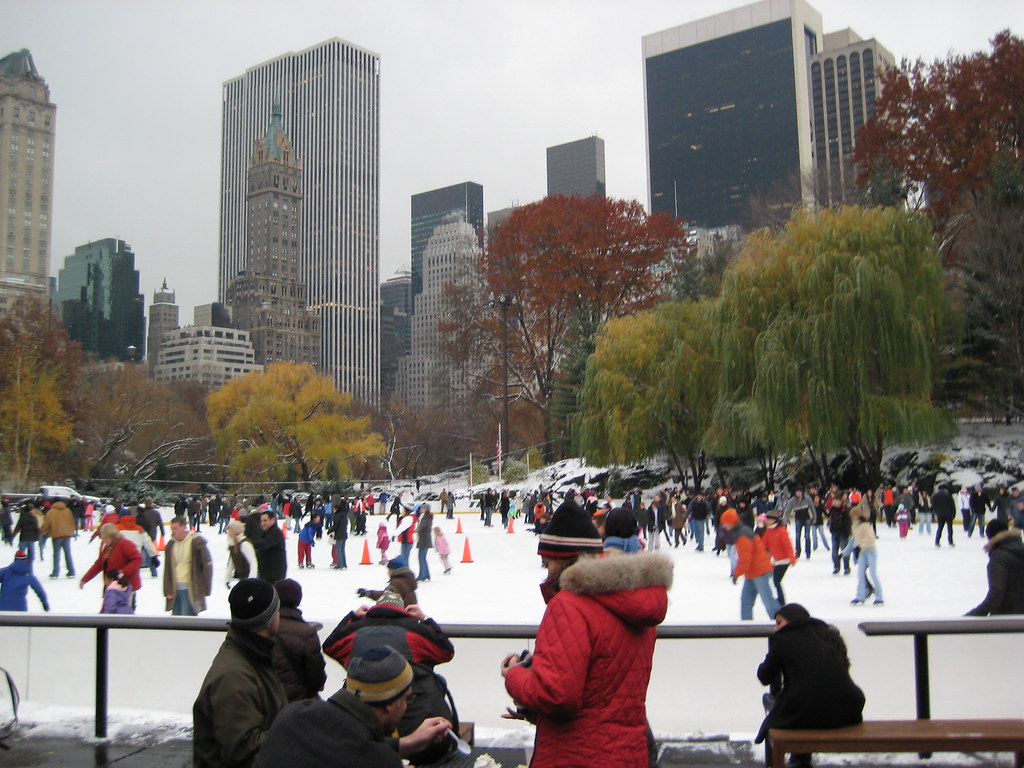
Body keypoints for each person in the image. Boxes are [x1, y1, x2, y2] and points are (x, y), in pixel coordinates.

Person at [500, 499, 672, 767]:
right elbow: (603, 688)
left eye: (548, 564)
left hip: (577, 754)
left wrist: (515, 675)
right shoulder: (635, 601)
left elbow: (558, 695)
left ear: (565, 559)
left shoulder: (569, 606)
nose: (547, 574)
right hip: (627, 751)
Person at [254, 645, 451, 768]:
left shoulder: (294, 715)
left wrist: (406, 743)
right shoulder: (378, 761)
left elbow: (344, 744)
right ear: (391, 705)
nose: (407, 706)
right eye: (408, 699)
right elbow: (358, 750)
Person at [323, 593, 457, 765]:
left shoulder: (354, 632)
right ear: (400, 609)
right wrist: (425, 619)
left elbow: (330, 646)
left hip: (362, 728)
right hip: (415, 726)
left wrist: (352, 617)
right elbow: (446, 651)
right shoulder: (414, 630)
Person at [754, 603, 865, 768]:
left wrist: (773, 655)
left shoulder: (784, 640)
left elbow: (764, 676)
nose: (776, 629)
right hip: (848, 711)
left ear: (791, 622)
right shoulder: (829, 635)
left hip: (806, 713)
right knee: (806, 697)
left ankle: (799, 758)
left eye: (779, 623)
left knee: (783, 701)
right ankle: (800, 758)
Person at [193, 579, 287, 768]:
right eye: (277, 609)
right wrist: (296, 734)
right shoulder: (233, 676)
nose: (279, 614)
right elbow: (243, 750)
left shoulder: (254, 653)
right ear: (269, 620)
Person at [271, 579, 327, 702]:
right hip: (297, 701)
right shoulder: (306, 632)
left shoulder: (263, 628)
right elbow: (316, 675)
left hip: (268, 699)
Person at [720, 508, 780, 621]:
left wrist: (736, 573)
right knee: (746, 600)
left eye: (724, 523)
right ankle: (746, 626)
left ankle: (782, 624)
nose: (723, 526)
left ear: (730, 522)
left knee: (768, 601)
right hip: (753, 572)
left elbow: (745, 559)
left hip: (759, 571)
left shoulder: (742, 535)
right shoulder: (741, 531)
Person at [965, 519, 1024, 616]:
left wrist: (974, 615)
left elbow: (996, 594)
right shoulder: (1020, 549)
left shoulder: (999, 557)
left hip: (1006, 620)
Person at [162, 515, 213, 616]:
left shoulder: (196, 542)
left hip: (190, 588)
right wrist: (168, 589)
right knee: (176, 622)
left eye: (175, 528)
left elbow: (207, 565)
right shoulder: (171, 544)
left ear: (183, 527)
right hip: (175, 589)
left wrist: (206, 588)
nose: (173, 530)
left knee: (187, 620)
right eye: (171, 528)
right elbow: (167, 569)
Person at [80, 523, 143, 602]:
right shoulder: (108, 547)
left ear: (113, 536)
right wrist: (85, 579)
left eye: (106, 538)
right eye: (102, 539)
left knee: (123, 612)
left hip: (125, 586)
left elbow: (138, 559)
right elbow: (99, 564)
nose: (104, 541)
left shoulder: (125, 544)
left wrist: (122, 572)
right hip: (113, 587)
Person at [847, 500, 884, 606]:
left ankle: (879, 597)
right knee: (860, 574)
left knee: (873, 573)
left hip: (871, 551)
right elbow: (854, 540)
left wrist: (862, 544)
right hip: (862, 552)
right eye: (852, 516)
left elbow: (871, 539)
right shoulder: (854, 526)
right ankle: (860, 596)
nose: (853, 517)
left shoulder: (865, 525)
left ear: (858, 516)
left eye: (854, 515)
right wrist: (846, 551)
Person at [760, 511, 797, 606]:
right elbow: (763, 545)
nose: (766, 521)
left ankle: (781, 601)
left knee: (776, 580)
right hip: (776, 560)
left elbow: (787, 545)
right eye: (766, 519)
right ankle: (780, 599)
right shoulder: (768, 531)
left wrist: (792, 558)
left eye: (768, 520)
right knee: (775, 580)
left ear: (774, 520)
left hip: (784, 560)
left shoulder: (781, 531)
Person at [39, 499, 76, 578]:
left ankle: (55, 573)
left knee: (56, 554)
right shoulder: (67, 510)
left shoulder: (51, 512)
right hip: (67, 535)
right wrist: (72, 532)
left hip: (57, 535)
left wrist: (40, 532)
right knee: (68, 553)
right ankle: (71, 571)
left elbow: (46, 524)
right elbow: (72, 521)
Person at [254, 508, 287, 583]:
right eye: (261, 521)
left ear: (272, 520)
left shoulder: (275, 532)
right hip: (266, 573)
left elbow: (265, 543)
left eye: (265, 520)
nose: (262, 523)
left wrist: (250, 544)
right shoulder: (265, 532)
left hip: (275, 575)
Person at [226, 519, 257, 588]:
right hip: (242, 578)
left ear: (235, 532)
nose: (228, 533)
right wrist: (227, 578)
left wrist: (252, 579)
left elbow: (253, 562)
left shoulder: (244, 544)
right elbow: (232, 562)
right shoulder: (234, 544)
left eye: (230, 531)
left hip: (248, 578)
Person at [415, 504, 433, 582]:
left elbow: (421, 527)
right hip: (425, 540)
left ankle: (422, 575)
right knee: (423, 557)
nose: (421, 509)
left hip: (424, 540)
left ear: (426, 509)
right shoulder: (427, 517)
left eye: (422, 508)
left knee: (421, 557)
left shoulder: (426, 518)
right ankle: (426, 574)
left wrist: (416, 529)